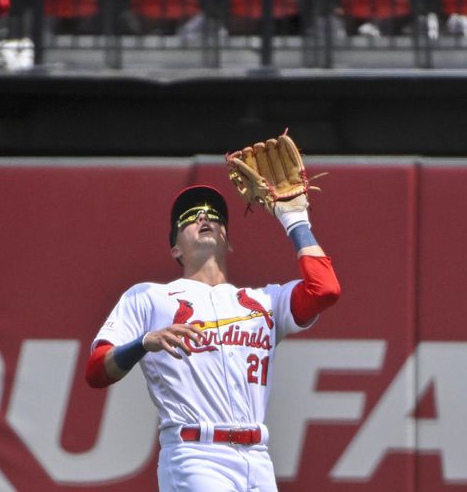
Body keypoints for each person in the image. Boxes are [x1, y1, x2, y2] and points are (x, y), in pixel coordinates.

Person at [85, 184, 341, 492]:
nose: (204, 216)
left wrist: (295, 219)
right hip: (196, 455)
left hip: (258, 459)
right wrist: (143, 343)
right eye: (190, 216)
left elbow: (324, 290)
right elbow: (96, 370)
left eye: (215, 215)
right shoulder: (151, 297)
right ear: (175, 249)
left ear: (228, 242)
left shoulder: (265, 301)